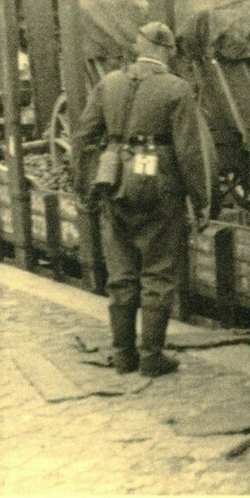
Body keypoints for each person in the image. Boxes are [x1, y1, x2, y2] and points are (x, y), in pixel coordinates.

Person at [74, 22, 218, 377]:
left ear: (138, 47)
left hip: (114, 183)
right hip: (158, 189)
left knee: (121, 275)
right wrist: (202, 200)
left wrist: (86, 185)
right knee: (157, 272)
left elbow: (82, 137)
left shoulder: (109, 83)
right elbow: (189, 152)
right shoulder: (177, 90)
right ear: (166, 51)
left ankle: (123, 355)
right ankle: (152, 357)